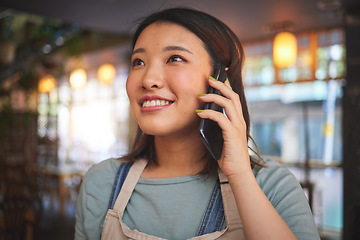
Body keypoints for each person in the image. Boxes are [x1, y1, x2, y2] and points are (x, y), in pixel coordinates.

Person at [75, 7, 320, 240]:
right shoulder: (101, 182)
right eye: (138, 62)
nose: (148, 79)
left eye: (175, 58)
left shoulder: (272, 186)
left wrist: (241, 176)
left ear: (219, 80)